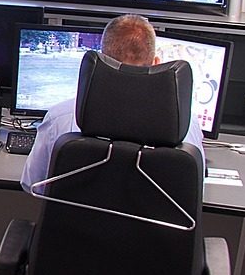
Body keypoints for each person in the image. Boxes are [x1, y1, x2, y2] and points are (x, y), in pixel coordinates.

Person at [20, 14, 206, 193]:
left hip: (74, 226)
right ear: (156, 63)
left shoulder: (60, 117)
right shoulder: (186, 125)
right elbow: (196, 192)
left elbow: (34, 184)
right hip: (153, 226)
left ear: (101, 61)